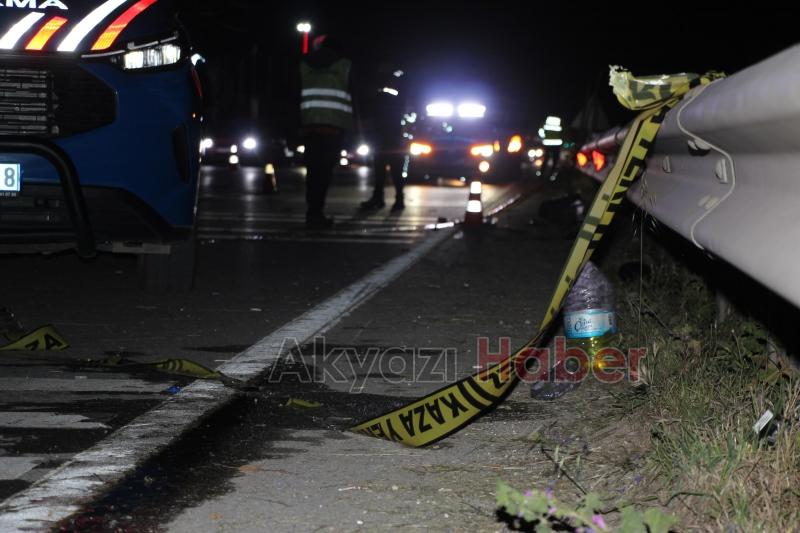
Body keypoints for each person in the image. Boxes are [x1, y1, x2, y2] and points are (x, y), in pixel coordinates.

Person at [299, 35, 355, 229]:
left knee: (313, 171)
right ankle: (317, 213)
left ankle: (312, 212)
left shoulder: (304, 64)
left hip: (310, 126)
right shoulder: (345, 65)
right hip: (334, 128)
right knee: (324, 173)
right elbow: (354, 95)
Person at [359, 63, 406, 212]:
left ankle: (394, 199)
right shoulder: (390, 92)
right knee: (383, 170)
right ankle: (384, 198)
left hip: (390, 136)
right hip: (386, 136)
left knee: (391, 170)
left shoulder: (389, 92)